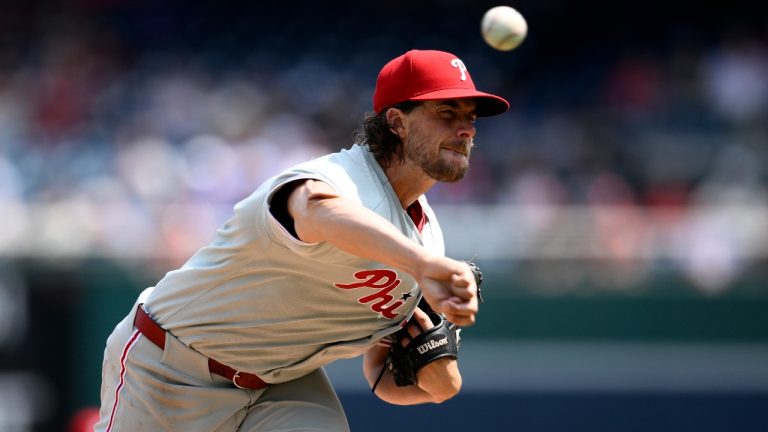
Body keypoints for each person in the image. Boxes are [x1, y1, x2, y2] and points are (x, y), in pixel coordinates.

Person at [95, 49, 509, 431]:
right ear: (397, 122)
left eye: (471, 117)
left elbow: (381, 375)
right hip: (171, 365)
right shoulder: (340, 178)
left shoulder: (427, 239)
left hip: (281, 385)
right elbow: (314, 209)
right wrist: (419, 264)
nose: (466, 129)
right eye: (447, 112)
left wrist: (442, 383)